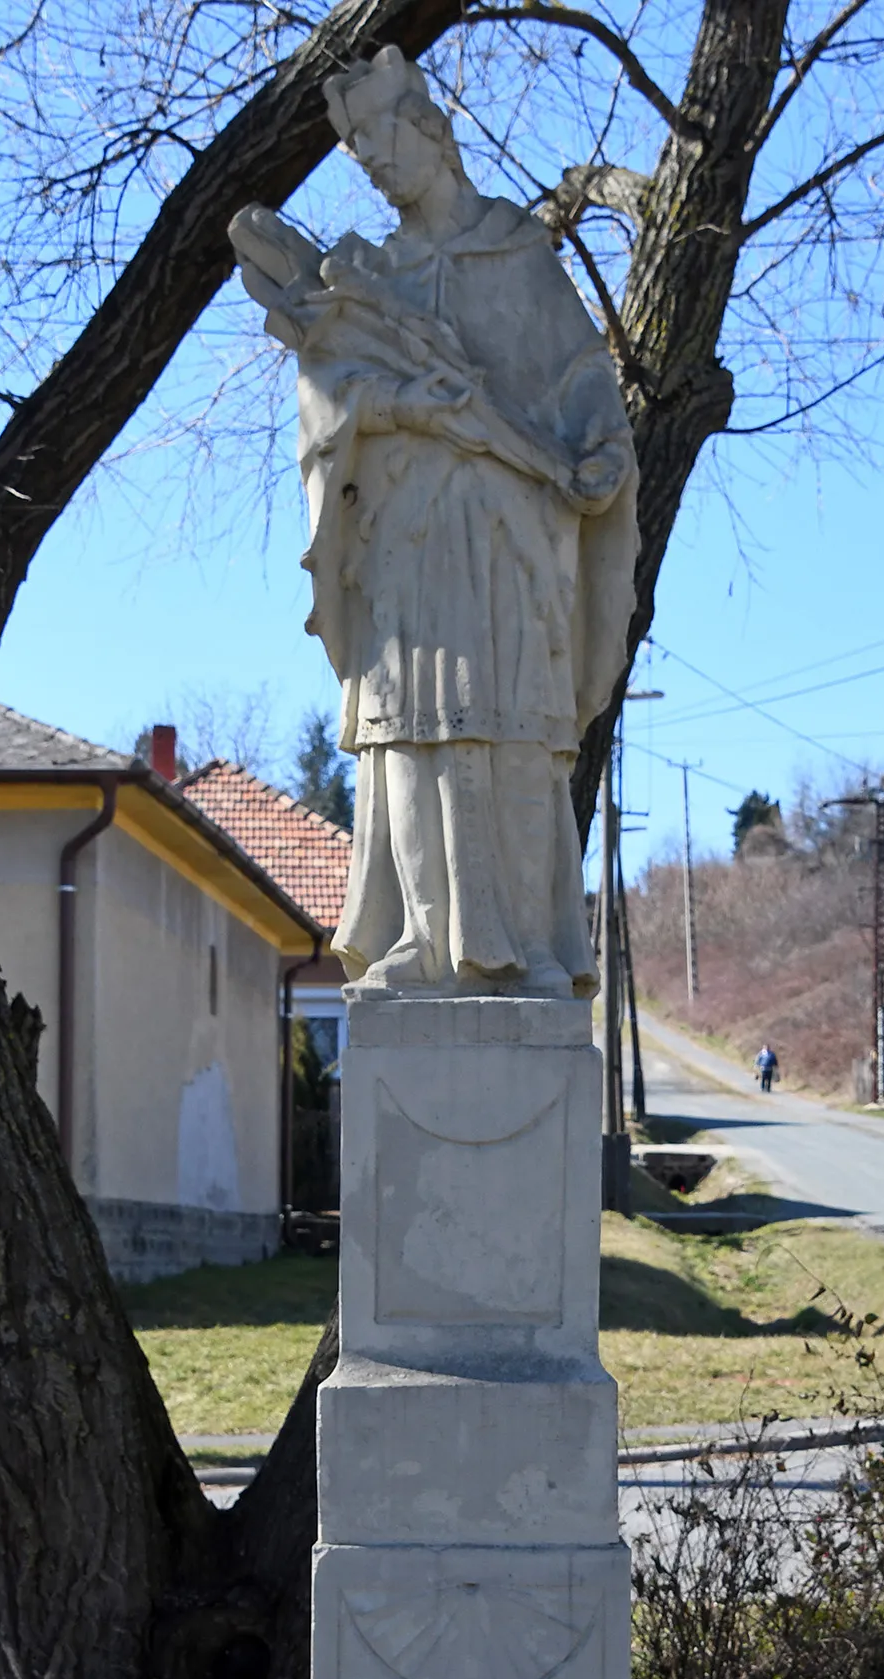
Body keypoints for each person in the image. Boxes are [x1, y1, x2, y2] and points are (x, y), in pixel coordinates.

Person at [229, 49, 637, 997]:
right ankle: (420, 933)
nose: (376, 170)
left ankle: (531, 942)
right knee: (409, 731)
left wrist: (601, 446)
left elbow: (580, 377)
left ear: (432, 135)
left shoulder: (518, 253)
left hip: (514, 534)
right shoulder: (370, 276)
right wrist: (410, 405)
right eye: (363, 162)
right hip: (405, 537)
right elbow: (329, 398)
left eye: (384, 149)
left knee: (517, 730)